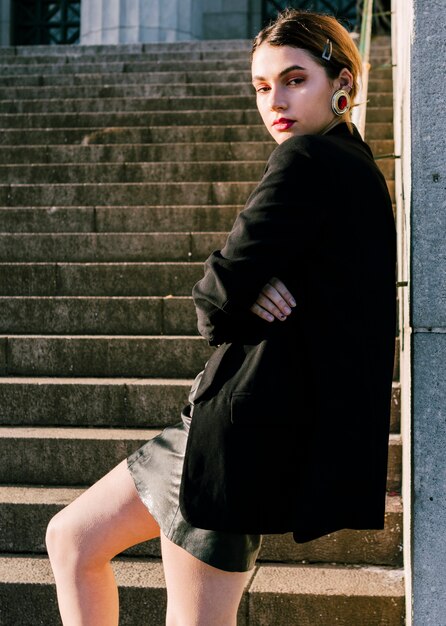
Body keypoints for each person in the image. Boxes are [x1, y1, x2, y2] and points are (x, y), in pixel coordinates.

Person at [46, 9, 396, 626]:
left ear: (342, 83)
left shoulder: (307, 160)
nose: (275, 101)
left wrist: (237, 290)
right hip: (217, 428)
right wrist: (249, 289)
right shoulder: (355, 166)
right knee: (72, 538)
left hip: (239, 439)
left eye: (294, 80)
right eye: (262, 86)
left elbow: (216, 300)